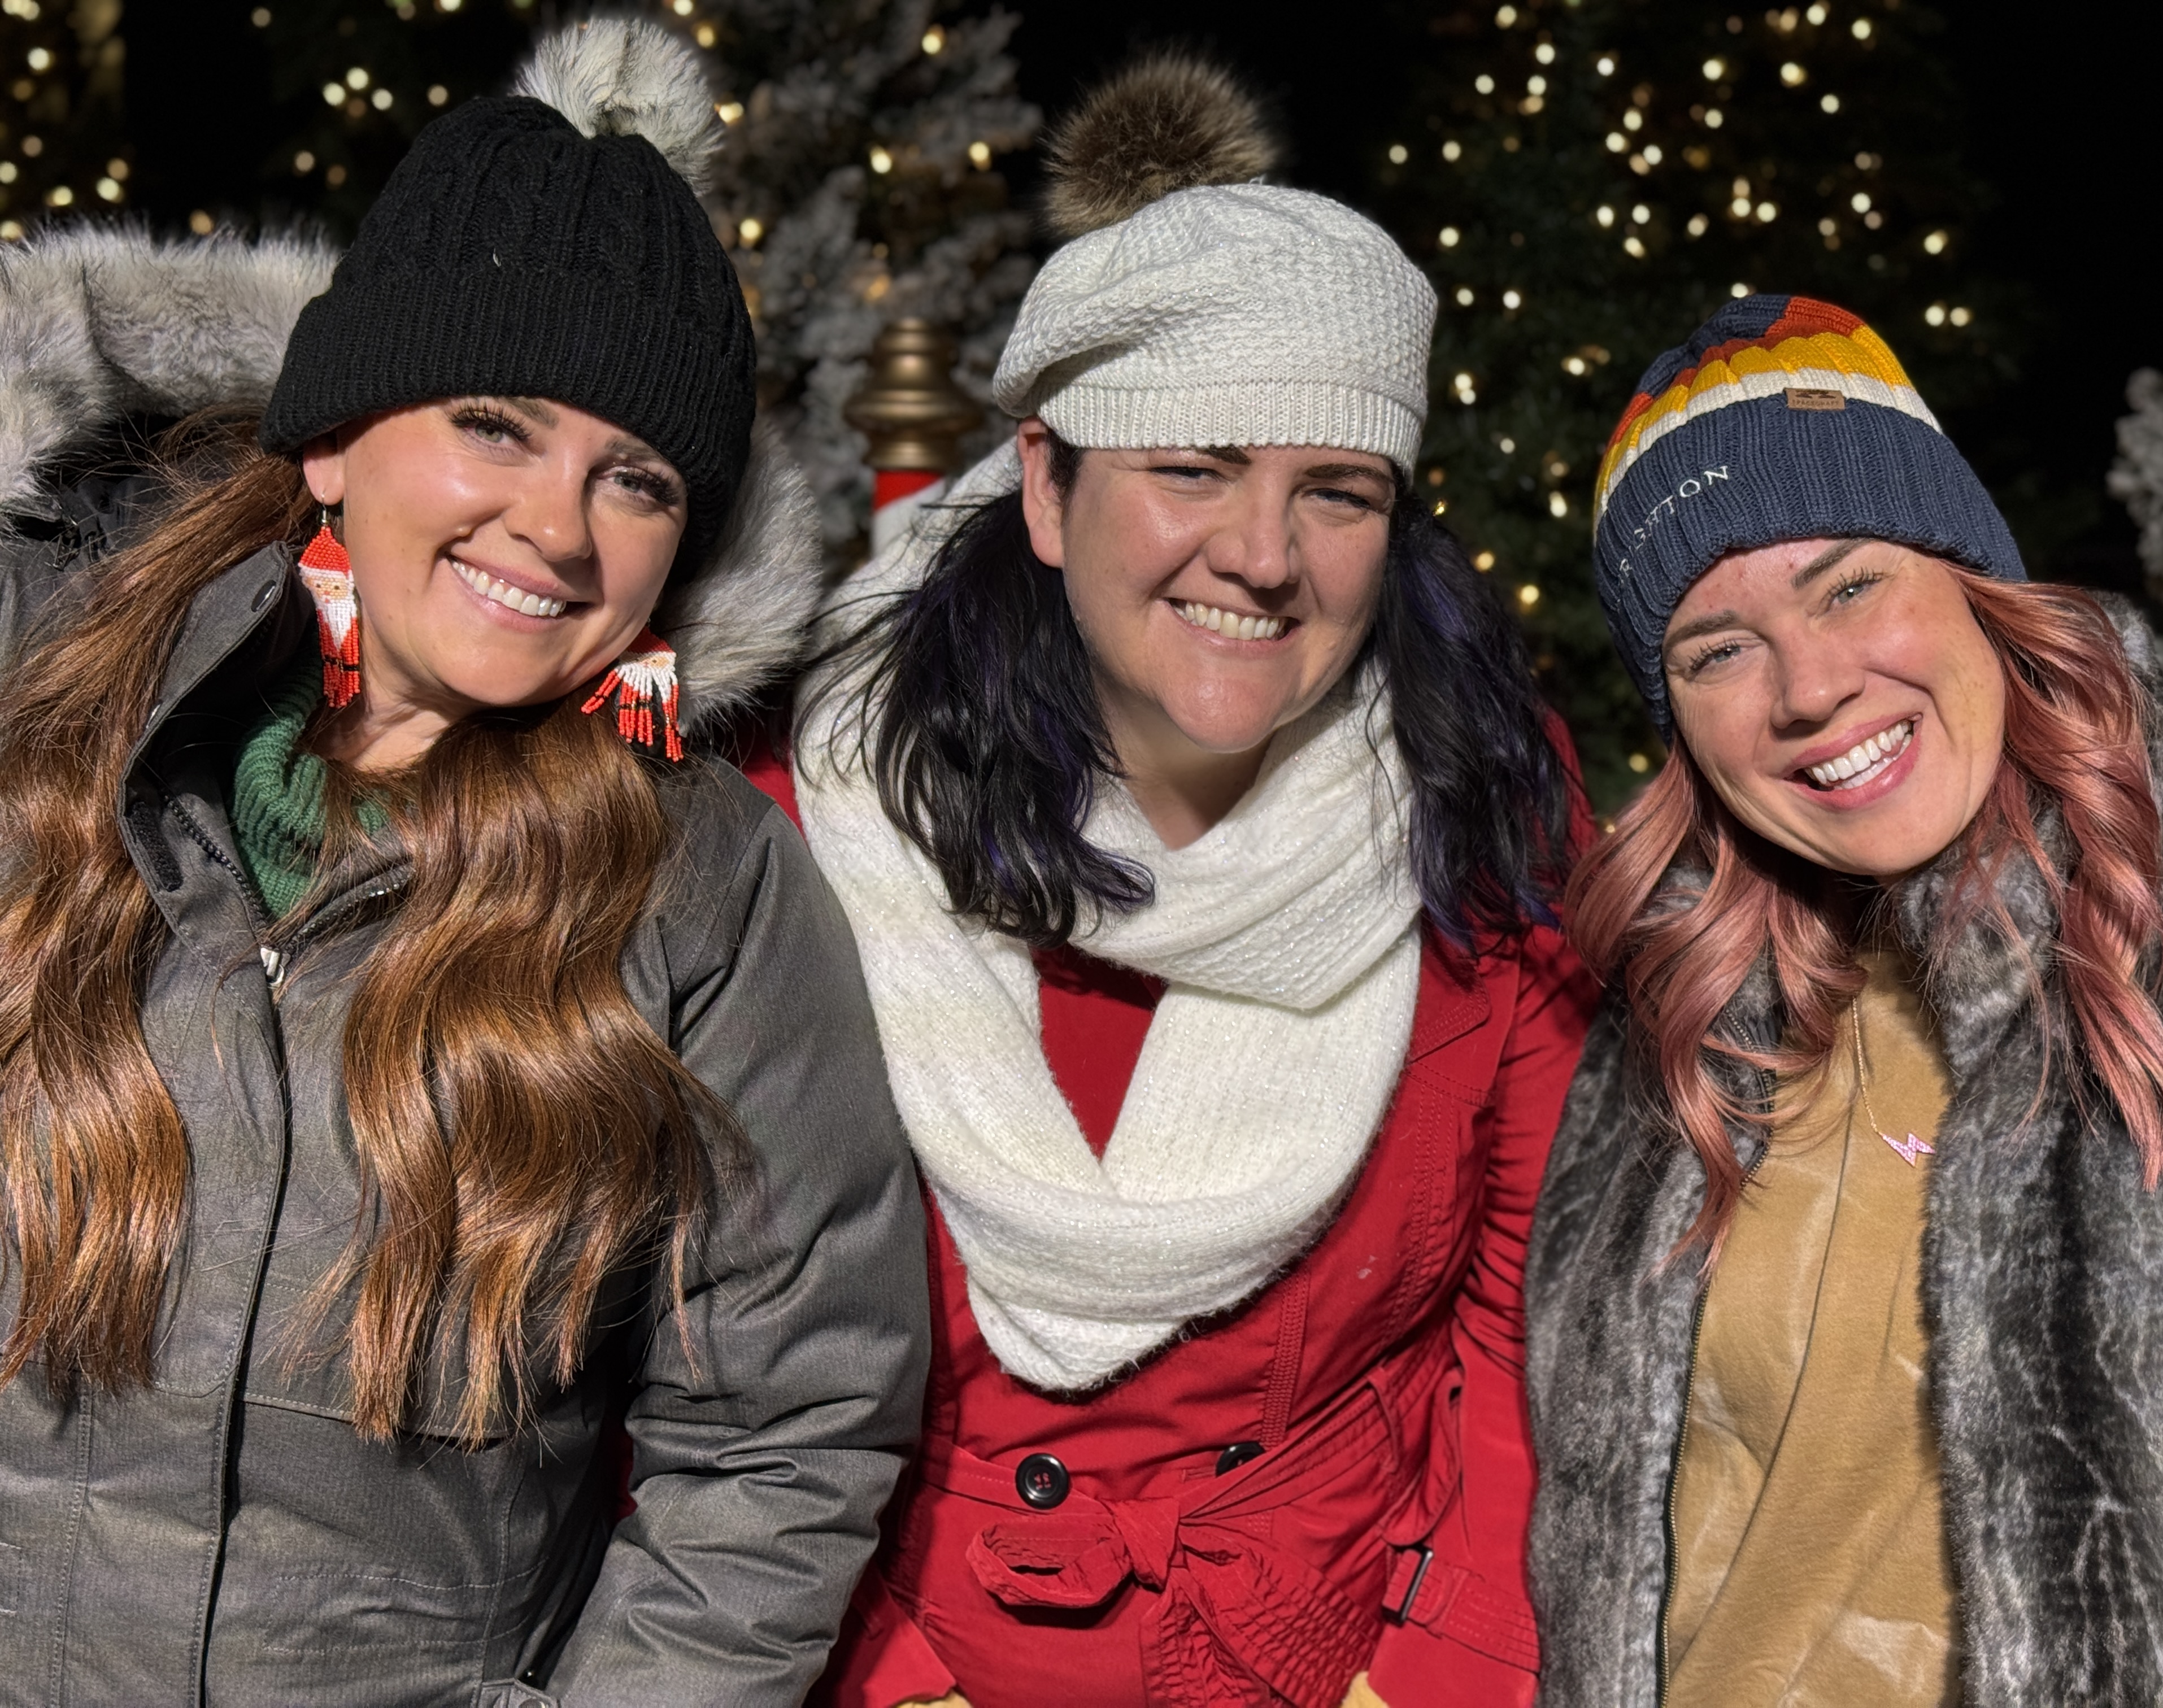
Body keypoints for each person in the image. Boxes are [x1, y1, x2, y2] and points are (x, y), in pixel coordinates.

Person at [0, 21, 926, 1706]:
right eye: (495, 425)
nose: (559, 528)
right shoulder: (42, 719)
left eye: (635, 480)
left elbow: (786, 1431)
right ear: (335, 438)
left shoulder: (699, 889)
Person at [742, 55, 1595, 1708]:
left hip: (1320, 1654)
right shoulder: (823, 807)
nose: (1264, 557)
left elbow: (1525, 1311)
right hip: (890, 1642)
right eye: (1194, 468)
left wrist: (1431, 1676)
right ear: (1048, 487)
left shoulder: (1480, 803)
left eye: (1335, 491)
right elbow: (710, 1344)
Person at [1524, 293, 2163, 1706]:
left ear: (1974, 582)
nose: (1809, 688)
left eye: (1850, 585)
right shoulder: (1678, 1023)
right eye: (1716, 650)